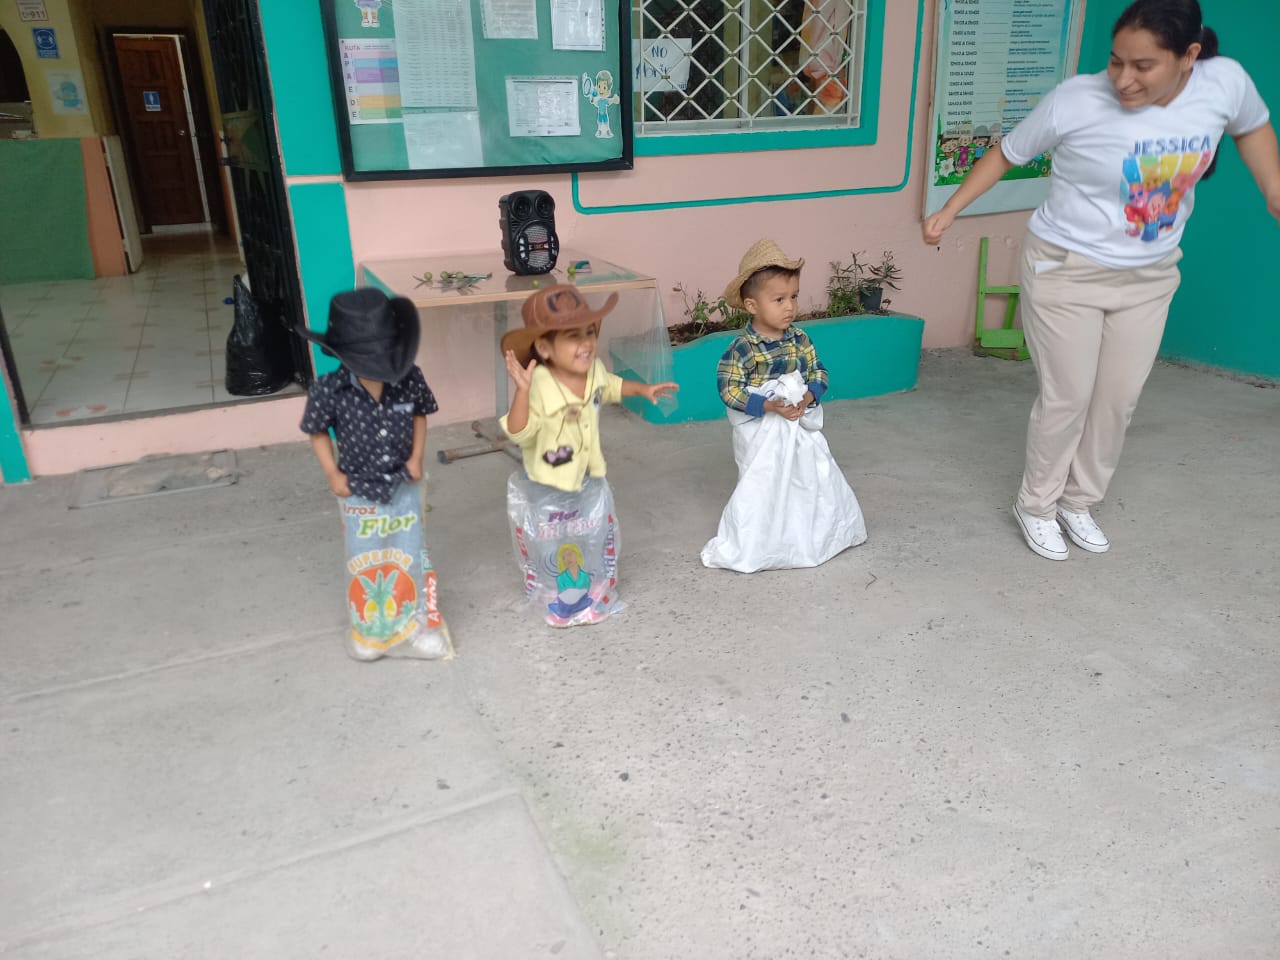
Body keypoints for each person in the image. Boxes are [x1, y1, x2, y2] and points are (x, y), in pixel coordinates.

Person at [922, 0, 1280, 561]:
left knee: (1118, 400)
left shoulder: (1224, 83)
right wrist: (950, 210)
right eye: (1116, 61)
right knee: (1069, 396)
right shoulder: (1076, 99)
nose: (1123, 79)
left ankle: (1078, 501)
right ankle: (1037, 504)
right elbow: (1006, 154)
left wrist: (1273, 188)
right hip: (1066, 269)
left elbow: (1253, 128)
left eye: (1143, 66)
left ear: (1189, 57)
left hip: (1150, 275)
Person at [500, 284, 677, 626]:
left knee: (592, 534)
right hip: (547, 482)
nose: (586, 343)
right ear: (544, 347)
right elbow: (518, 430)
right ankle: (553, 596)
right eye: (572, 336)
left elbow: (611, 385)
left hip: (587, 477)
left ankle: (594, 593)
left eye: (589, 332)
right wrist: (521, 392)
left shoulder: (593, 370)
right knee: (552, 540)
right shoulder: (538, 385)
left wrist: (643, 389)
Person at [299, 288, 452, 660]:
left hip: (403, 483)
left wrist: (416, 457)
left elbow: (420, 414)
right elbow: (317, 432)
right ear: (343, 356)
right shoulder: (328, 390)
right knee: (365, 559)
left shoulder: (410, 378)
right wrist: (333, 474)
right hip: (358, 490)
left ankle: (414, 627)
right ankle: (370, 632)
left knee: (409, 555)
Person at [701, 238, 867, 572]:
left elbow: (818, 371)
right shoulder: (742, 349)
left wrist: (808, 395)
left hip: (797, 423)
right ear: (752, 305)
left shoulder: (800, 340)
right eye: (778, 299)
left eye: (793, 296)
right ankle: (763, 540)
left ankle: (806, 534)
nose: (789, 306)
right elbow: (730, 389)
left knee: (809, 475)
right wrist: (768, 405)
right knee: (763, 481)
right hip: (761, 430)